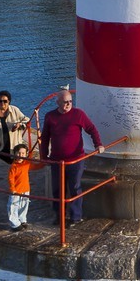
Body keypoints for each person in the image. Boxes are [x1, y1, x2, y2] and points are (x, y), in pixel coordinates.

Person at [40, 86, 103, 225]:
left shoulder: (78, 114)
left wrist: (98, 144)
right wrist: (43, 156)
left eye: (70, 101)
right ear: (58, 103)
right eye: (65, 101)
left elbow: (91, 129)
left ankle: (76, 217)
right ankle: (59, 216)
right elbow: (45, 138)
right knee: (57, 190)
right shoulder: (50, 117)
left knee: (75, 187)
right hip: (57, 161)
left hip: (76, 159)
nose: (68, 104)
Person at [0, 90, 29, 162]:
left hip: (14, 148)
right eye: (0, 101)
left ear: (9, 101)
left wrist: (19, 125)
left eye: (5, 101)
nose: (2, 103)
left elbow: (27, 121)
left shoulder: (15, 110)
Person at [7, 143, 37, 229]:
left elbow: (34, 165)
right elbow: (10, 178)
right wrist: (12, 188)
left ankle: (22, 219)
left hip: (25, 189)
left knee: (24, 205)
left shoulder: (26, 163)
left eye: (23, 153)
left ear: (26, 154)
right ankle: (14, 223)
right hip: (16, 190)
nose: (21, 155)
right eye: (19, 153)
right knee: (13, 206)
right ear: (15, 153)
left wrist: (44, 164)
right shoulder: (13, 166)